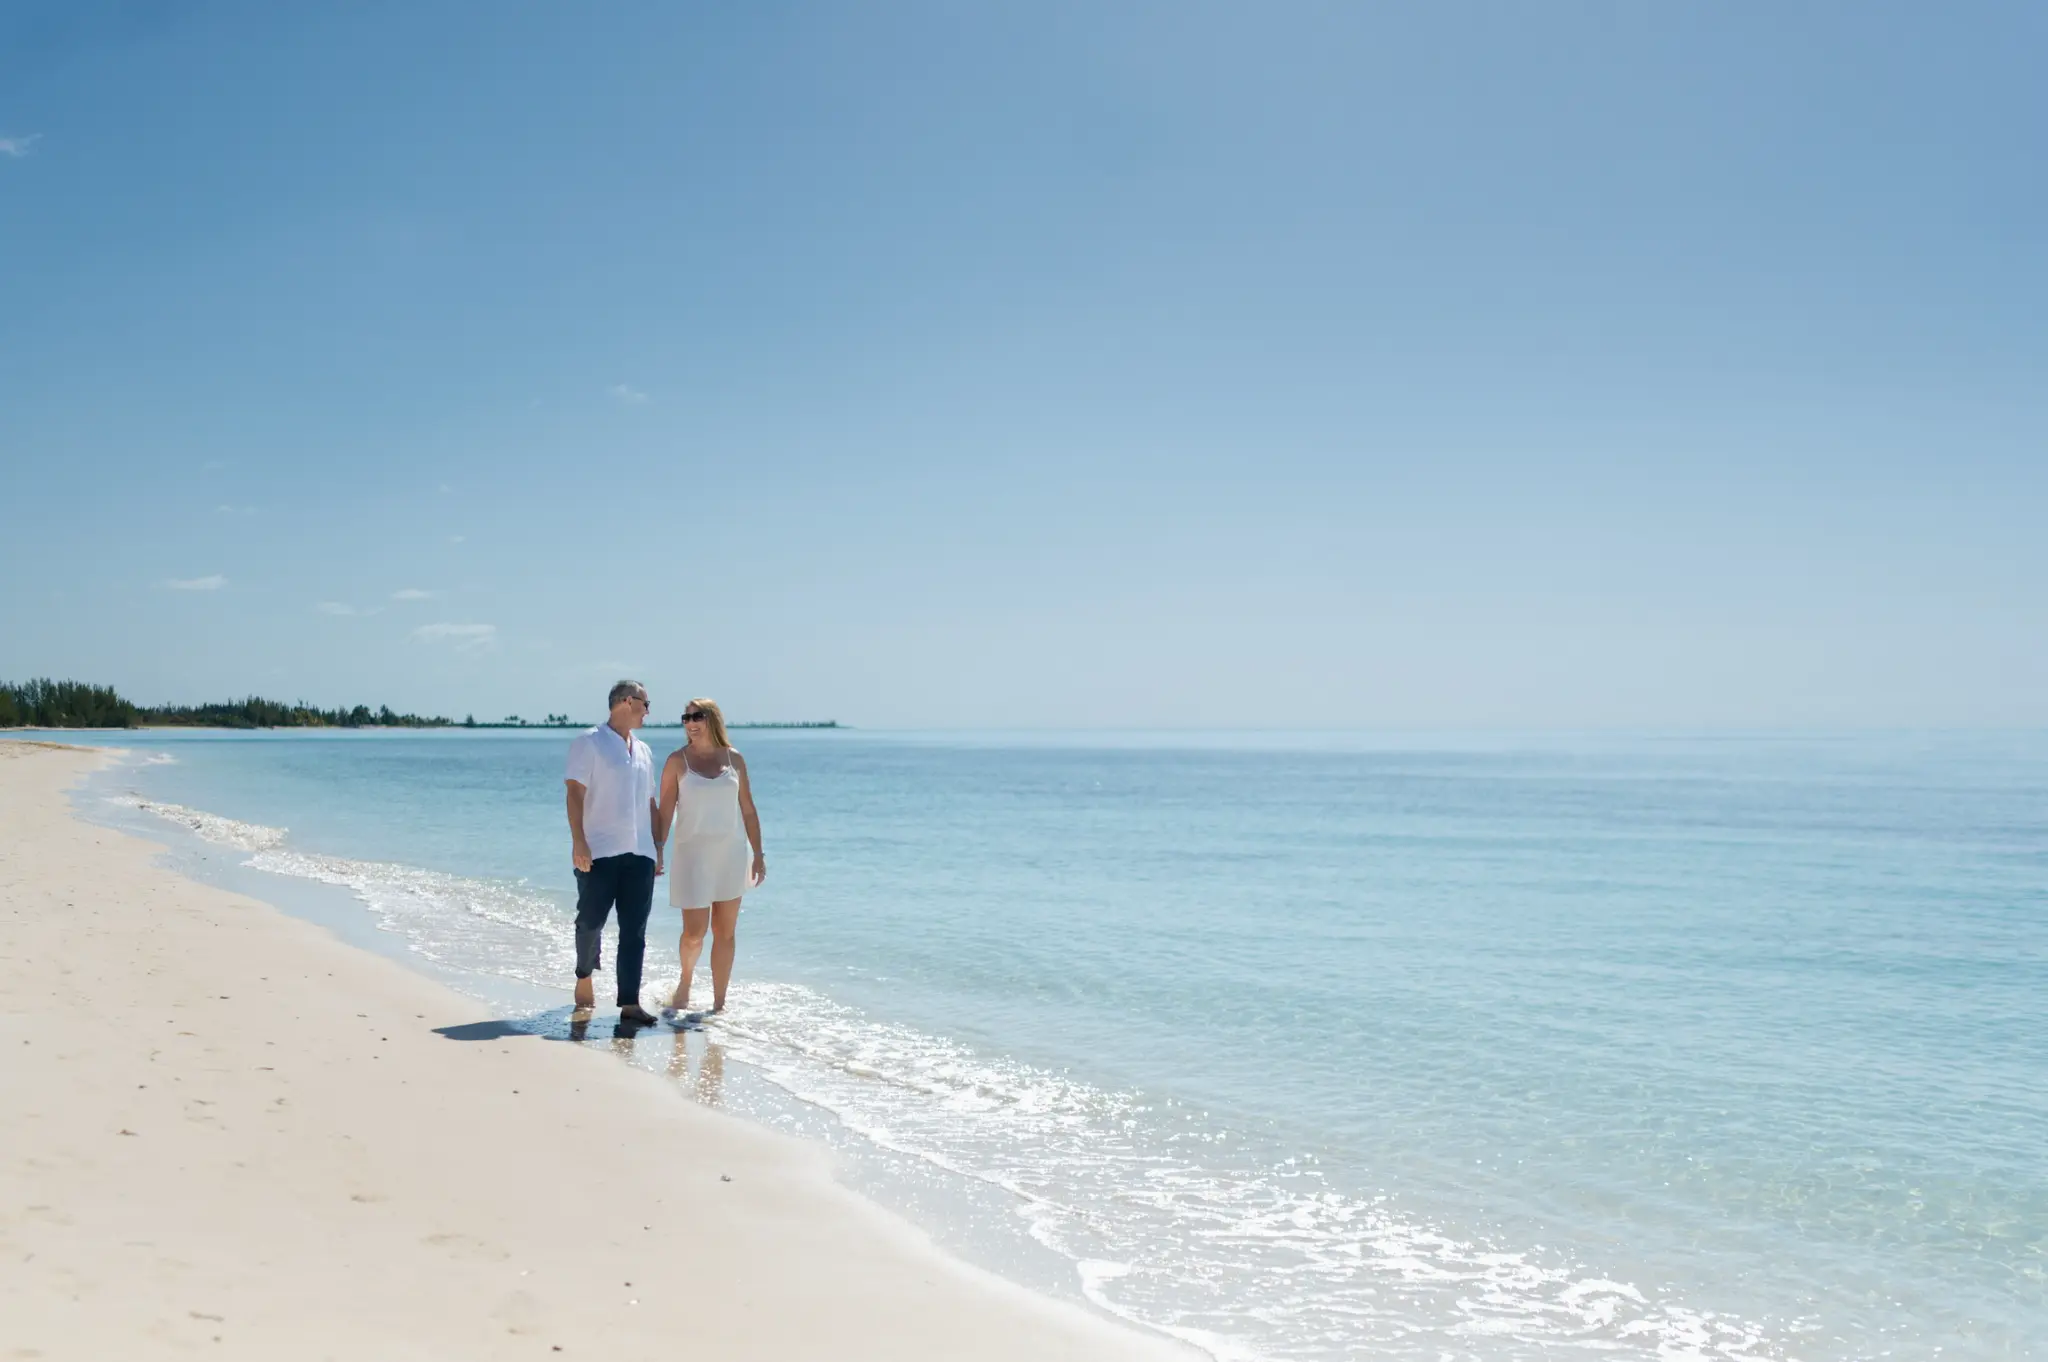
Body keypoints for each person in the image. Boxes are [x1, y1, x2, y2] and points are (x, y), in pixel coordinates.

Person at [654, 698, 765, 1015]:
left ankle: (719, 1005)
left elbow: (748, 809)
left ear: (712, 719)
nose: (690, 722)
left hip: (731, 854)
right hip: (692, 856)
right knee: (694, 934)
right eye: (686, 717)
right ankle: (686, 981)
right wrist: (658, 849)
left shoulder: (734, 759)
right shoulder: (677, 761)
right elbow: (665, 811)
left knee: (725, 933)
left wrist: (758, 853)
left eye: (697, 716)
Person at [565, 680, 660, 1026]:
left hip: (641, 853)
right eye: (645, 704)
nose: (648, 711)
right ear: (626, 702)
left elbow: (650, 803)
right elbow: (575, 793)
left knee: (634, 930)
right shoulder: (588, 742)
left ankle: (630, 1002)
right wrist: (579, 841)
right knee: (590, 922)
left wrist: (658, 848)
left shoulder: (644, 751)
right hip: (599, 850)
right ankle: (584, 974)